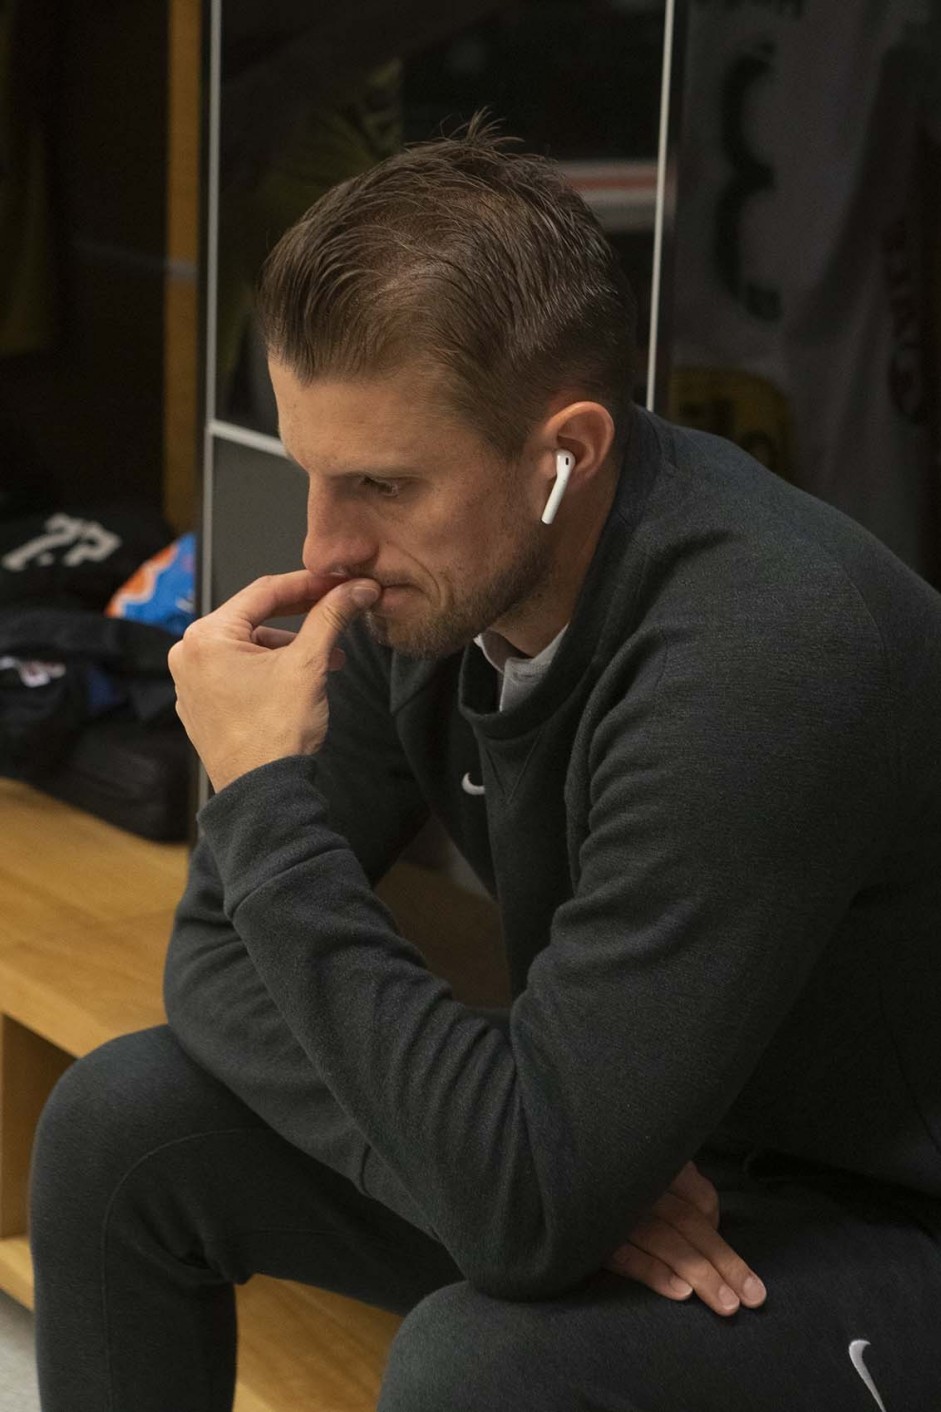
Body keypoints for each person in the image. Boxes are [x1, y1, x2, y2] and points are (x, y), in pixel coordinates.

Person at [28, 114, 941, 1411]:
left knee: (483, 1369)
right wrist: (509, 1173)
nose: (327, 545)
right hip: (624, 1134)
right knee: (122, 1125)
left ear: (563, 455)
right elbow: (218, 960)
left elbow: (523, 1210)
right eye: (311, 472)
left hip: (884, 1219)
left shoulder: (761, 652)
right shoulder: (425, 582)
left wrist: (266, 800)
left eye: (380, 485)